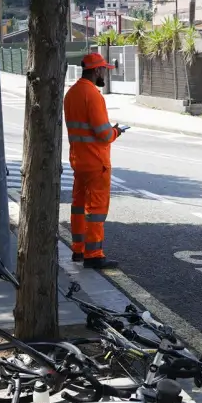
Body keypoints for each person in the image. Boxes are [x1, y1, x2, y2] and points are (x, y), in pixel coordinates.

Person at [64, 52, 123, 270]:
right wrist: (116, 131)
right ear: (96, 70)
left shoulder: (71, 93)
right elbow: (103, 134)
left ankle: (78, 249)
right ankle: (94, 253)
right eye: (104, 70)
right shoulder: (94, 95)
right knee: (96, 209)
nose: (105, 74)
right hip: (96, 162)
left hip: (78, 160)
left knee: (79, 206)